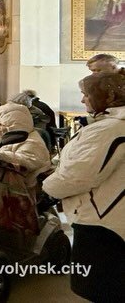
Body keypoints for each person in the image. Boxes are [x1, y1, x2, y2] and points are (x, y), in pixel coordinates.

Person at [44, 71, 124, 302]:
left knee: (100, 288)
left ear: (108, 96)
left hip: (102, 219)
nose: (82, 100)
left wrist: (46, 188)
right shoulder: (107, 125)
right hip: (103, 213)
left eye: (86, 94)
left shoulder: (110, 129)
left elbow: (78, 176)